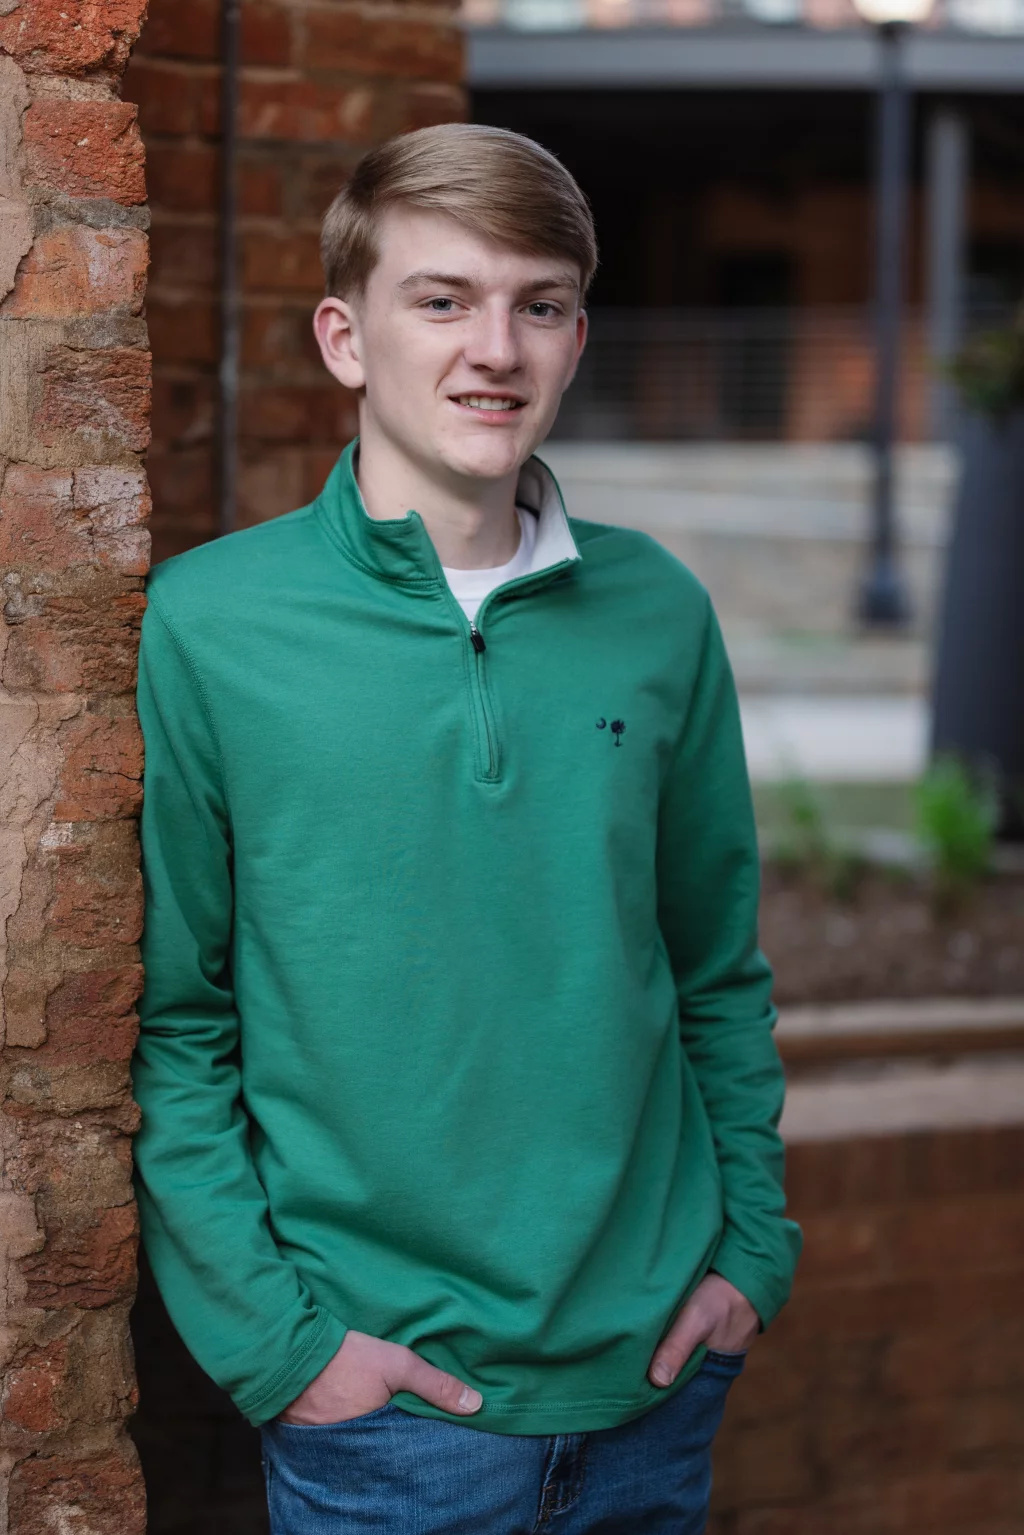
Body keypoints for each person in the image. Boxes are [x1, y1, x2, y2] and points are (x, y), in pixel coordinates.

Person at [132, 122, 802, 1534]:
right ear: (345, 337)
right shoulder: (213, 624)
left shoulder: (657, 613)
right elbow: (181, 1023)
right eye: (441, 300)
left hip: (653, 1388)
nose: (493, 345)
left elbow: (715, 973)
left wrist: (750, 1247)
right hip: (387, 1421)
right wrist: (282, 1346)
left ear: (573, 339)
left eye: (538, 304)